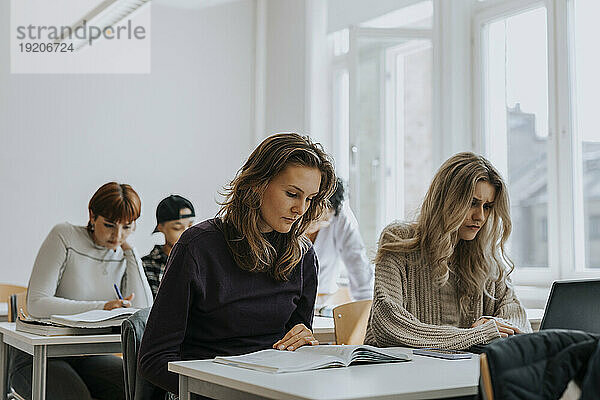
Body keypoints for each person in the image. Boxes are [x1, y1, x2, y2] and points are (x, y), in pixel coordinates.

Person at [138, 133, 336, 397]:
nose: (300, 209)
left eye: (309, 199)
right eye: (292, 194)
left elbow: (293, 346)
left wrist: (303, 344)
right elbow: (153, 360)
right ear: (256, 184)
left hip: (271, 391)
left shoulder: (303, 255)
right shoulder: (197, 247)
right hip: (206, 392)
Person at [365, 152, 532, 351]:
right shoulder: (399, 240)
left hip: (462, 373)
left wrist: (489, 323)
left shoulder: (484, 256)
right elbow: (389, 324)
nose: (480, 216)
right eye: (472, 203)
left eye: (487, 207)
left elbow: (518, 319)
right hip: (399, 373)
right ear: (447, 199)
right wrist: (477, 335)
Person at [9, 182, 153, 400]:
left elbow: (142, 312)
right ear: (92, 216)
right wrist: (102, 306)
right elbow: (37, 304)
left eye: (127, 227)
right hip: (39, 356)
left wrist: (131, 253)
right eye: (110, 225)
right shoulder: (64, 236)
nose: (118, 236)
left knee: (141, 388)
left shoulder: (122, 252)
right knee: (76, 396)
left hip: (87, 355)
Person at [306, 178, 373, 305]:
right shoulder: (291, 213)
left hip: (323, 300)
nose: (313, 225)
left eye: (323, 221)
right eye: (312, 219)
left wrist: (365, 312)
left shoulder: (341, 217)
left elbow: (358, 266)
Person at [142, 194, 196, 298]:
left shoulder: (201, 262)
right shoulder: (145, 265)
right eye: (177, 228)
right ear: (160, 227)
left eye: (190, 227)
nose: (186, 234)